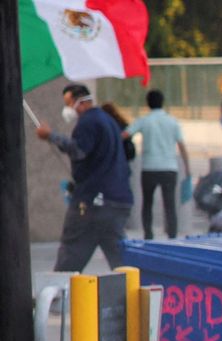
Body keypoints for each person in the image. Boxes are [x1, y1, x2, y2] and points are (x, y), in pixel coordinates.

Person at [36, 83, 132, 271]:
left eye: (68, 103)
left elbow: (78, 150)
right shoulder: (107, 120)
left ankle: (59, 295)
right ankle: (130, 295)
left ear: (79, 102)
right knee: (121, 264)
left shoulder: (89, 122)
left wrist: (50, 136)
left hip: (92, 202)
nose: (67, 109)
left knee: (69, 260)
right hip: (117, 201)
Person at [123, 89, 189, 241]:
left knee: (147, 202)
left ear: (148, 103)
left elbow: (125, 135)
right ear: (162, 102)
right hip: (169, 167)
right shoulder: (172, 121)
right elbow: (181, 145)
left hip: (149, 168)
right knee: (170, 204)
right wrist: (187, 167)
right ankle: (172, 235)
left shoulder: (144, 120)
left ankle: (148, 234)